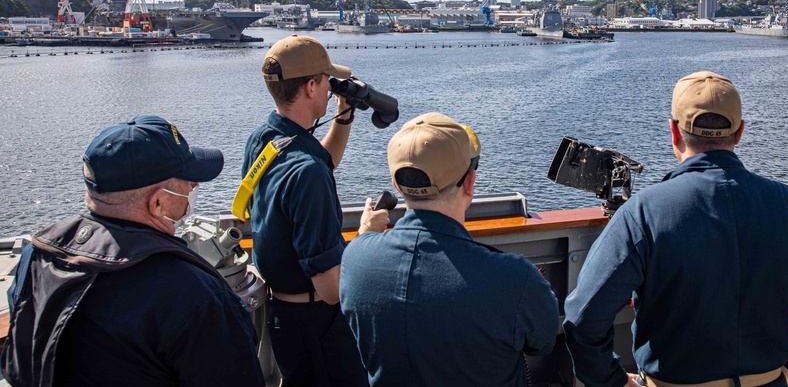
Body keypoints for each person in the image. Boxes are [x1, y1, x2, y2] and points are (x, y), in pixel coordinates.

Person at [563, 71, 788, 387]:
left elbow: (583, 319)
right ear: (739, 133)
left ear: (674, 131)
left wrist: (617, 382)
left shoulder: (643, 214)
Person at [0, 116, 265, 387]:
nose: (194, 187)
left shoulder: (37, 256)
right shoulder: (194, 294)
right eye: (188, 180)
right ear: (158, 203)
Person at [340, 112, 560, 386]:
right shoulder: (514, 279)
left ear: (397, 185)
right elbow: (545, 341)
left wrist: (364, 238)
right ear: (469, 182)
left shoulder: (355, 260)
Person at [243, 35, 389, 387]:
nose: (329, 88)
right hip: (318, 326)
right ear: (311, 87)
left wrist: (344, 115)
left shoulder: (266, 139)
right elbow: (332, 288)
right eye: (326, 81)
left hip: (285, 318)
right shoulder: (308, 173)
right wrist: (367, 233)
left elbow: (320, 162)